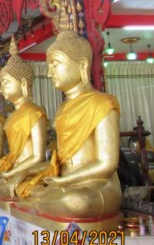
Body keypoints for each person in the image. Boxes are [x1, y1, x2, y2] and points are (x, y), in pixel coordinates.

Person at [18, 28, 121, 218]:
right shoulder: (63, 109)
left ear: (82, 65)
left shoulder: (102, 103)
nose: (49, 74)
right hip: (64, 182)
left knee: (76, 202)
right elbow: (58, 162)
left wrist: (66, 181)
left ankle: (45, 201)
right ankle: (45, 199)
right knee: (24, 187)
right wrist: (28, 172)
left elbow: (107, 164)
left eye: (55, 65)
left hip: (96, 185)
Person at [0, 37, 47, 197]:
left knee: (26, 190)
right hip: (13, 169)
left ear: (23, 83)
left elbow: (38, 156)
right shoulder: (10, 117)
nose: (1, 89)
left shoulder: (35, 113)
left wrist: (13, 172)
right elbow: (10, 155)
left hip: (29, 172)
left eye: (6, 83)